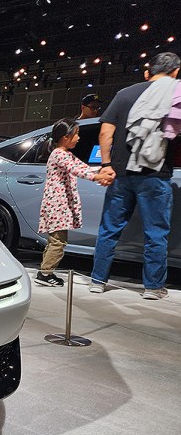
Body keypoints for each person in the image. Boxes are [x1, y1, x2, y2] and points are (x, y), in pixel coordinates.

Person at [90, 52, 180, 300]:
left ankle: (97, 280)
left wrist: (106, 164)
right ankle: (152, 287)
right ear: (175, 72)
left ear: (147, 72)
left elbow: (105, 133)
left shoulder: (124, 94)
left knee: (109, 229)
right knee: (156, 232)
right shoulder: (175, 94)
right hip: (155, 174)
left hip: (120, 173)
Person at [35, 118, 114, 287]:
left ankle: (45, 271)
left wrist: (100, 170)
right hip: (57, 204)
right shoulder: (59, 154)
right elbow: (76, 169)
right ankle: (45, 273)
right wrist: (97, 176)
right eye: (76, 134)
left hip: (59, 204)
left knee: (54, 240)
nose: (78, 137)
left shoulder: (64, 154)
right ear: (65, 137)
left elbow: (82, 166)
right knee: (58, 241)